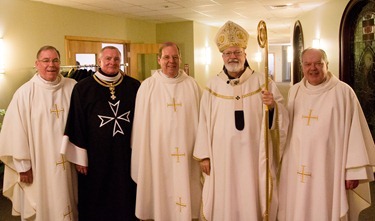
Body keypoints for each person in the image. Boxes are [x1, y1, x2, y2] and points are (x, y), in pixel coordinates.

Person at [193, 21, 289, 221]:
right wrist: (203, 155)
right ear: (222, 57)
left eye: (237, 52)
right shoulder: (212, 86)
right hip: (221, 157)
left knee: (251, 192)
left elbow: (282, 118)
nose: (233, 57)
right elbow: (203, 121)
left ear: (245, 54)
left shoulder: (263, 83)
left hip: (253, 156)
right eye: (228, 53)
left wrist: (272, 107)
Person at [277, 48, 375, 221]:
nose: (313, 68)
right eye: (308, 64)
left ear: (327, 65)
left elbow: (355, 134)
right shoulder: (295, 91)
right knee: (298, 206)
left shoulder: (343, 93)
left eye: (318, 63)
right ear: (302, 66)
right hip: (297, 165)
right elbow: (286, 128)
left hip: (329, 167)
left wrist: (352, 172)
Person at [61, 46, 140, 221]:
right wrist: (81, 157)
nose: (112, 62)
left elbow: (142, 121)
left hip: (125, 154)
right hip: (95, 157)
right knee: (96, 198)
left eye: (116, 59)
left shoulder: (134, 86)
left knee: (125, 194)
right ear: (99, 61)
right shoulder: (83, 88)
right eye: (108, 59)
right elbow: (77, 121)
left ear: (121, 62)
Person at [0, 45, 78, 220]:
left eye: (55, 60)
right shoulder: (25, 93)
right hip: (39, 164)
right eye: (46, 60)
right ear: (37, 64)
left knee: (70, 200)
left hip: (70, 162)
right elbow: (16, 132)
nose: (51, 65)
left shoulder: (73, 87)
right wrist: (23, 166)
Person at [131, 42, 202, 221]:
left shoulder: (192, 85)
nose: (171, 61)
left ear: (180, 59)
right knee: (160, 192)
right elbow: (140, 128)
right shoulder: (147, 87)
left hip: (187, 153)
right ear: (159, 60)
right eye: (167, 57)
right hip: (158, 155)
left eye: (175, 57)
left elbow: (202, 122)